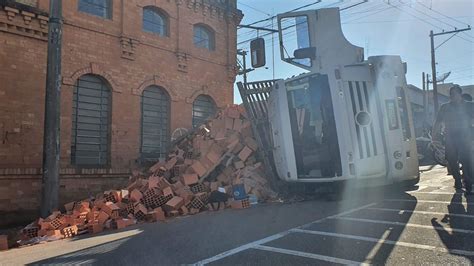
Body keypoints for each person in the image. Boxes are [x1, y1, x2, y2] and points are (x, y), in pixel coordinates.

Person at [432, 85, 473, 194]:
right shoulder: (444, 107)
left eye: (454, 94)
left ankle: (468, 183)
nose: (452, 96)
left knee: (466, 161)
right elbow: (438, 122)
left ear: (460, 94)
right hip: (450, 138)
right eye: (450, 94)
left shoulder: (469, 106)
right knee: (451, 160)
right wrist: (433, 135)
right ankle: (457, 180)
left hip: (465, 137)